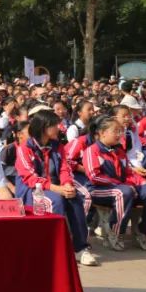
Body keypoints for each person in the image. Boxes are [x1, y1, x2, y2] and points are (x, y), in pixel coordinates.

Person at [15, 110, 97, 266]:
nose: (59, 128)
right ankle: (55, 247)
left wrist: (67, 184)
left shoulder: (57, 146)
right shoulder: (25, 148)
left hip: (55, 186)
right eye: (54, 125)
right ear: (44, 127)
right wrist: (56, 189)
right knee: (56, 201)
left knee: (75, 200)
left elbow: (64, 169)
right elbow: (29, 177)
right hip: (32, 189)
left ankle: (80, 248)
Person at [82, 116, 146, 251]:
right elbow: (94, 176)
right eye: (115, 131)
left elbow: (128, 172)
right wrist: (120, 184)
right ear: (102, 133)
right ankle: (116, 232)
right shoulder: (92, 150)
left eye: (120, 131)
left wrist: (141, 181)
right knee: (123, 192)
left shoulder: (119, 151)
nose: (119, 135)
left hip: (122, 187)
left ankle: (144, 231)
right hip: (98, 189)